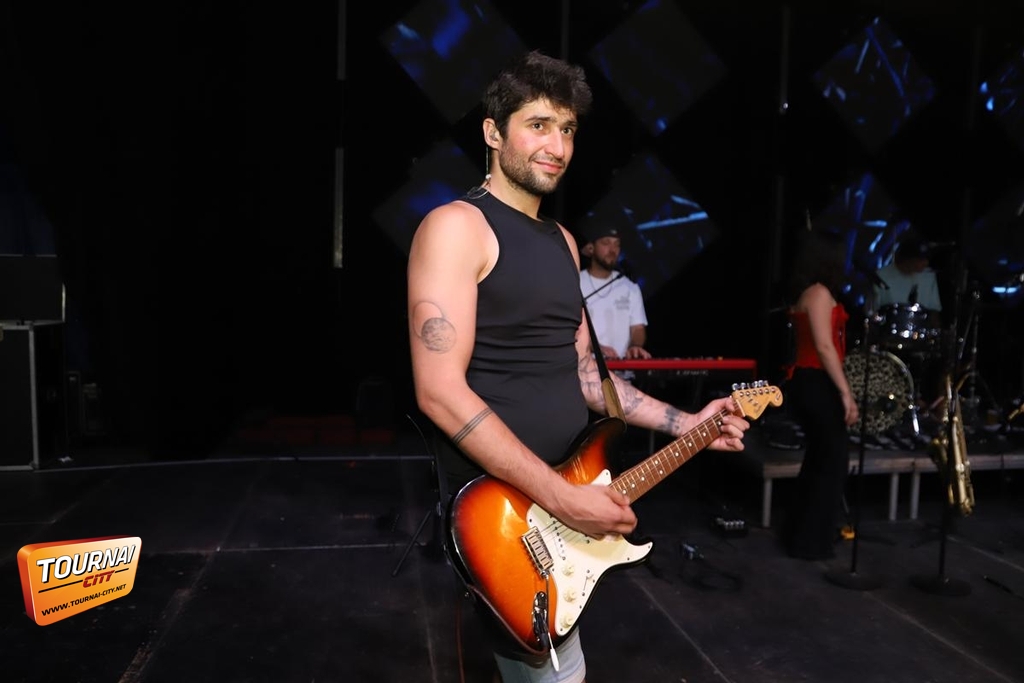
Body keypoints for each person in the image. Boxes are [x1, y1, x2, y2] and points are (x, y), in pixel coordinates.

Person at [406, 49, 750, 683]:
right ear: (492, 132)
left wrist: (689, 422)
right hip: (505, 514)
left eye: (567, 129)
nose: (558, 146)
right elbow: (439, 393)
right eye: (538, 125)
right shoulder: (457, 228)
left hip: (562, 509)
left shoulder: (563, 242)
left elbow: (590, 377)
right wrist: (562, 497)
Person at [779, 229, 860, 561]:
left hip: (809, 380)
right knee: (831, 462)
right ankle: (810, 541)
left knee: (820, 459)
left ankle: (802, 536)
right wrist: (846, 393)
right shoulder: (819, 293)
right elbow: (825, 347)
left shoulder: (811, 292)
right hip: (814, 380)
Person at [579, 222, 651, 366]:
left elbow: (638, 328)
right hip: (585, 371)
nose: (613, 250)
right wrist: (597, 348)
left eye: (617, 244)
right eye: (606, 243)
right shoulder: (575, 283)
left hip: (623, 372)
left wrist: (634, 347)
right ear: (591, 248)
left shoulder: (630, 287)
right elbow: (569, 329)